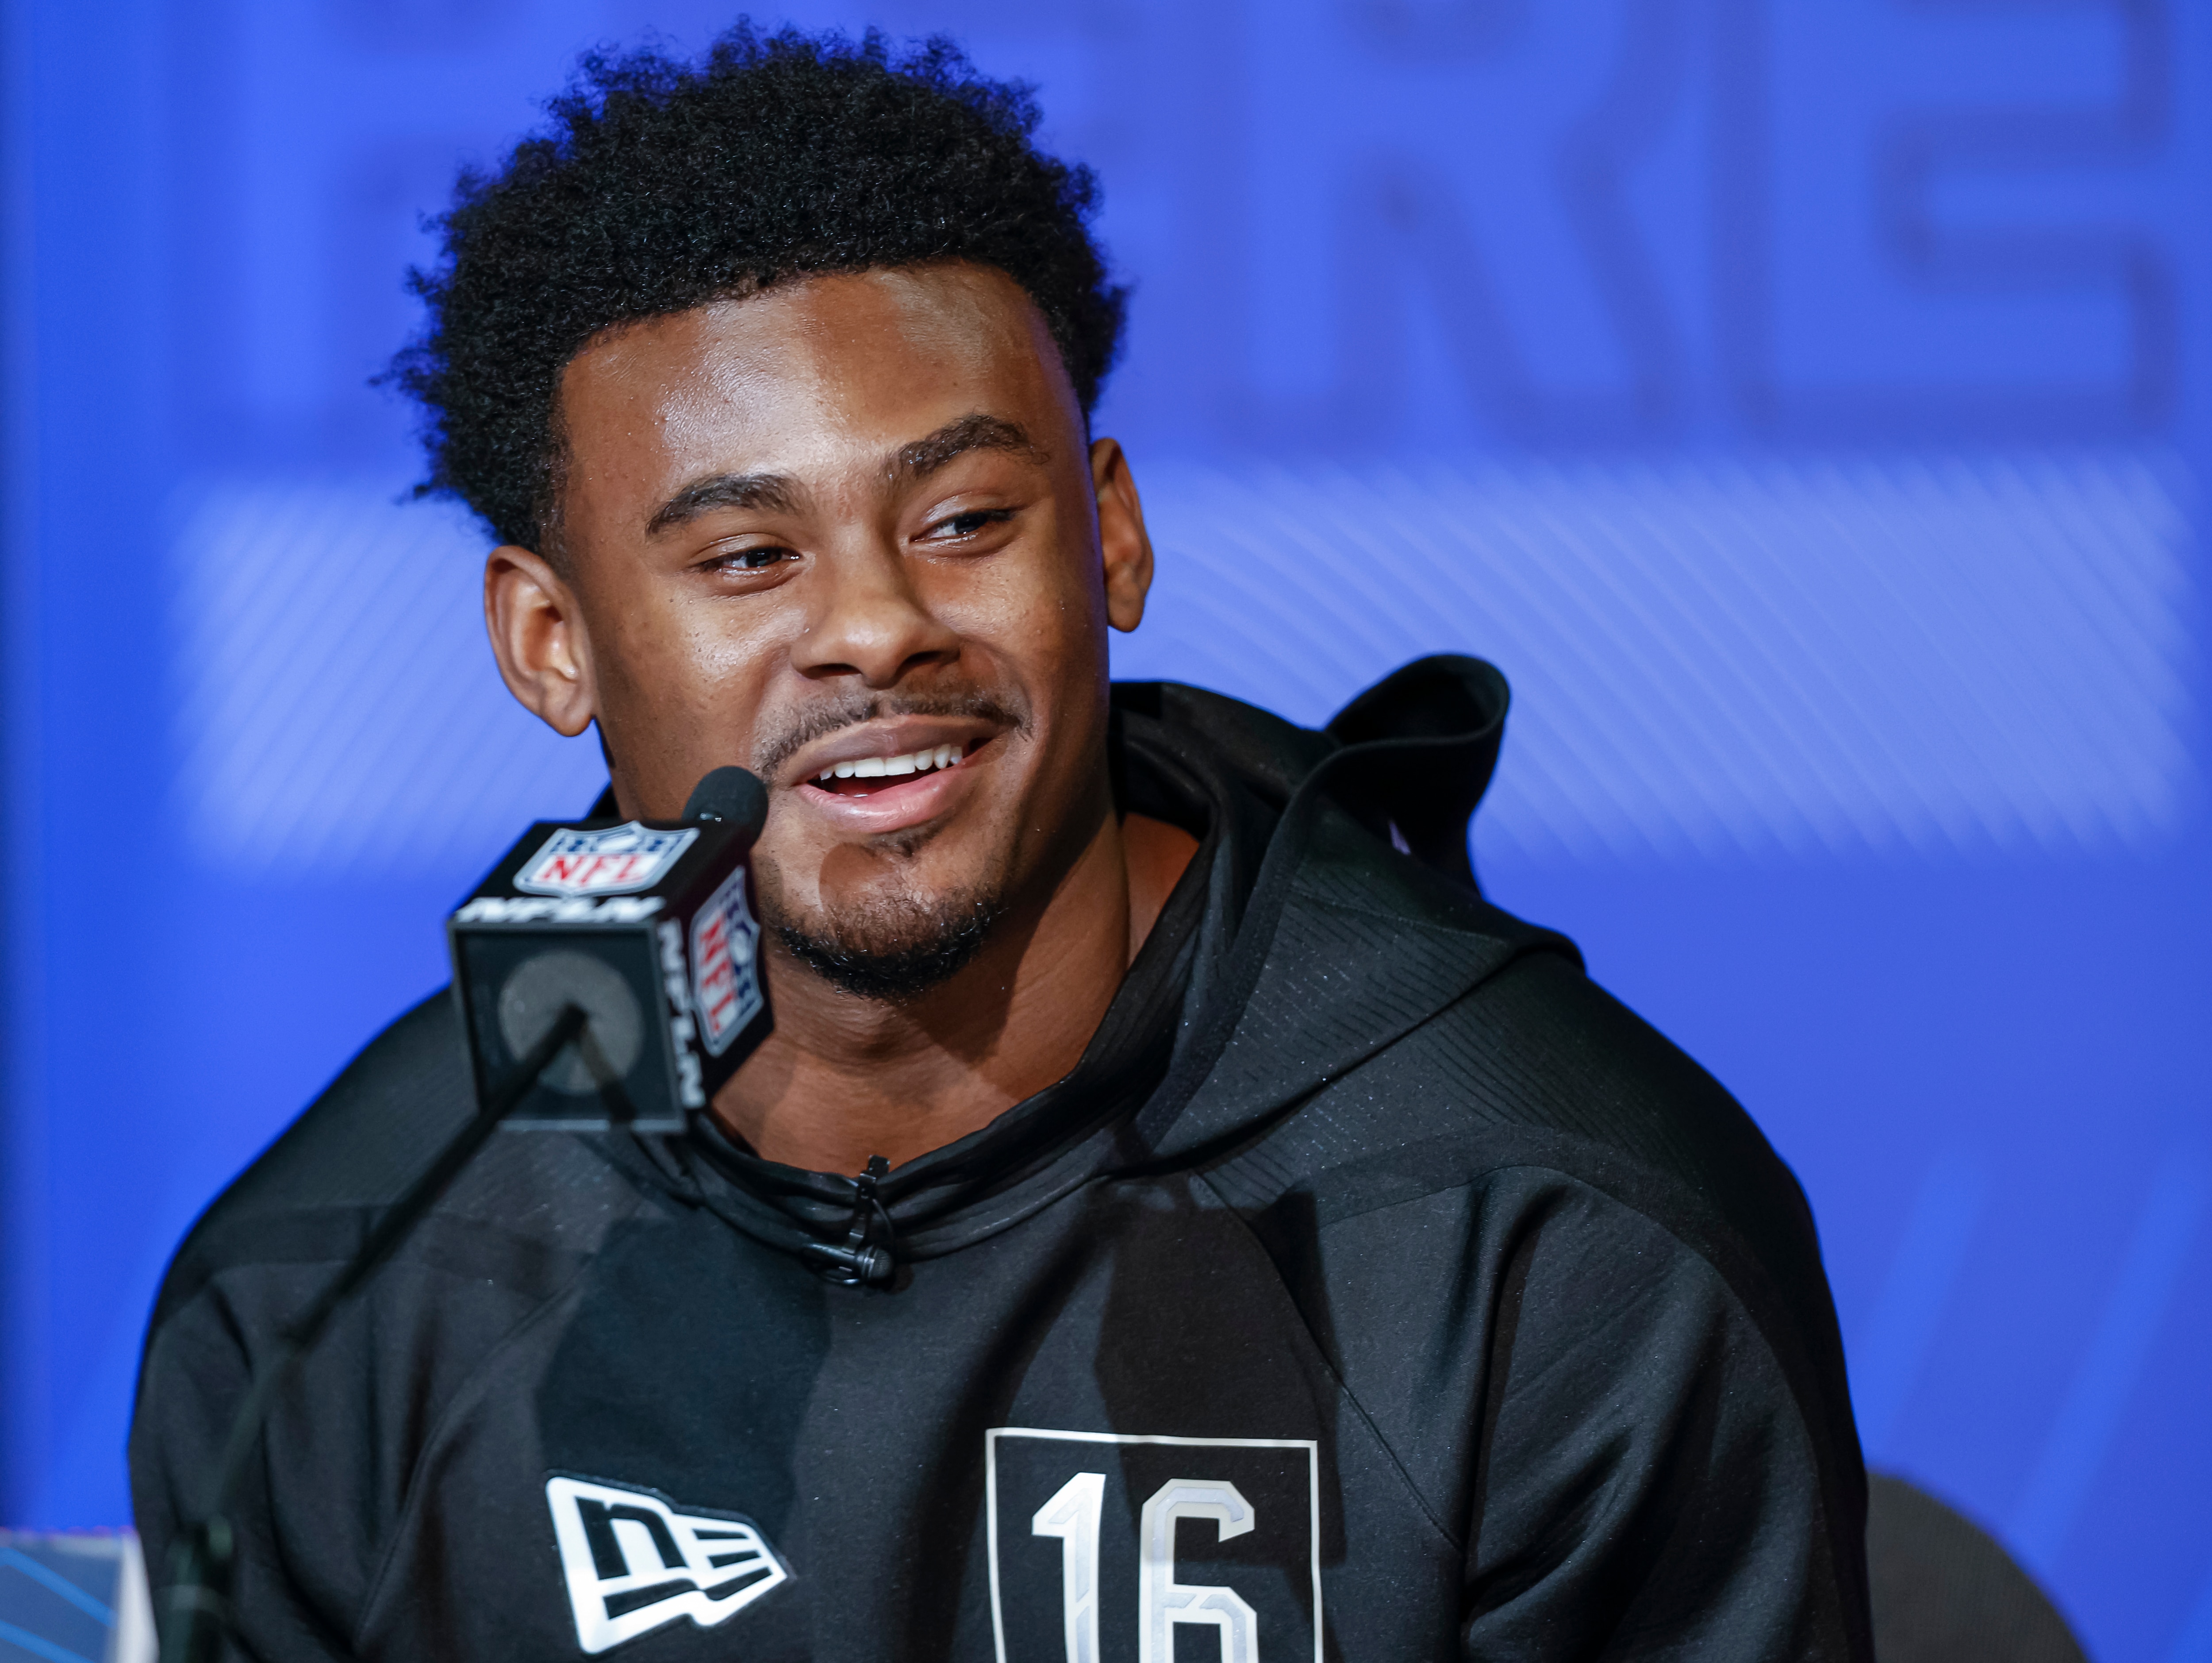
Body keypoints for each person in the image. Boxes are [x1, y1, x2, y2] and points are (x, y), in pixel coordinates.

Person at [131, 24, 1871, 1661]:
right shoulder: (328, 1299)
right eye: (747, 558)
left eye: (963, 520)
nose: (877, 626)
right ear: (547, 642)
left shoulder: (1545, 1234)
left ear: (1106, 539)